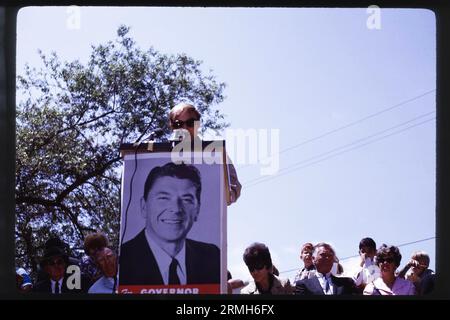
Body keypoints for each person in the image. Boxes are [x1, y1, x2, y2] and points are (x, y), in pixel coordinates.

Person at [119, 162, 220, 286]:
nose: (176, 209)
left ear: (197, 209)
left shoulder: (211, 257)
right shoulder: (123, 258)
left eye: (186, 199)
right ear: (144, 206)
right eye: (163, 198)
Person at [168, 102, 241, 205]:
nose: (184, 127)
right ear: (172, 126)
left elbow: (233, 185)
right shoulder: (157, 154)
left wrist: (225, 195)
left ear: (198, 124)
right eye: (178, 124)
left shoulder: (214, 152)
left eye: (190, 123)